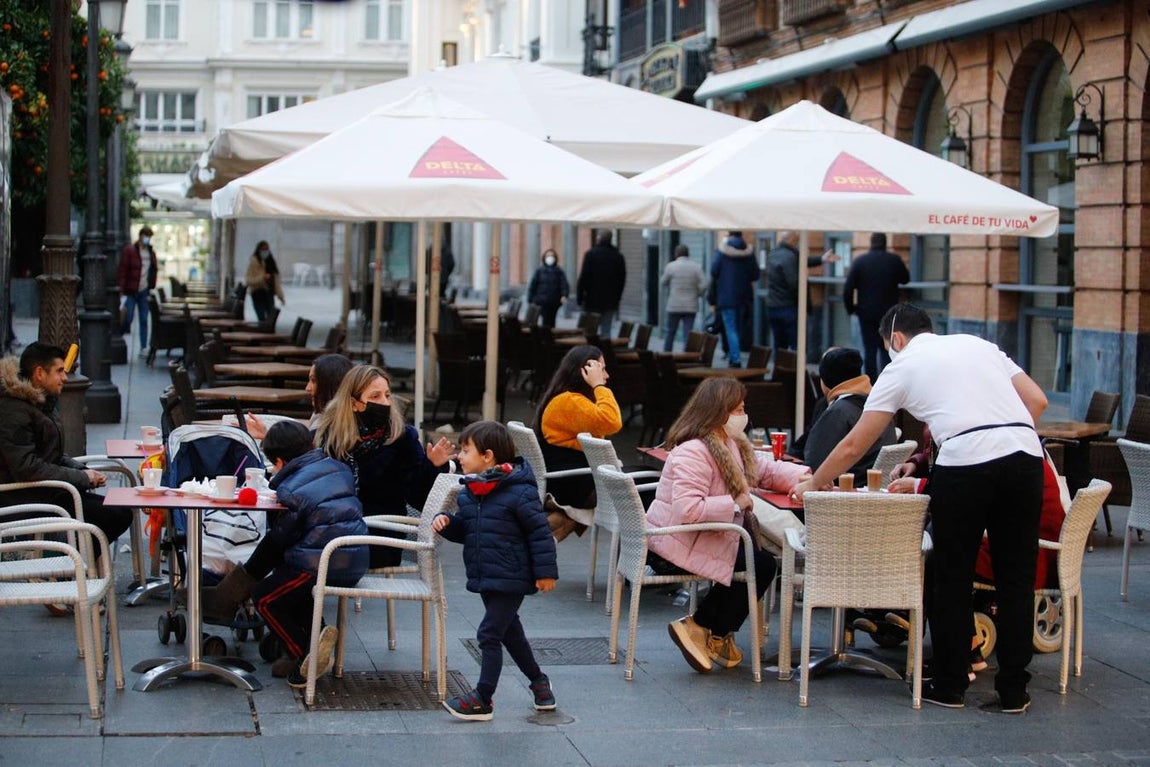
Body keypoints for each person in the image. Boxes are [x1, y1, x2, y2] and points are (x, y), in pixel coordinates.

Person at [791, 302, 1048, 713]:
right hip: (1024, 456)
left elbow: (856, 442)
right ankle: (1015, 690)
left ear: (895, 339)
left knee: (952, 574)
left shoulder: (902, 365)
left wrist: (813, 481)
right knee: (1016, 577)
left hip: (965, 462)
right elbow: (1037, 400)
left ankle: (950, 685)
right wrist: (1002, 437)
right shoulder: (979, 344)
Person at [647, 377, 808, 673]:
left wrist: (808, 478)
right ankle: (702, 626)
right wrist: (735, 504)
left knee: (758, 561)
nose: (743, 415)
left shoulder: (728, 444)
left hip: (700, 536)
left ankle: (714, 633)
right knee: (761, 565)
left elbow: (765, 469)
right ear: (719, 412)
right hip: (675, 543)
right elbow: (688, 509)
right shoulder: (694, 451)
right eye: (738, 409)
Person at [203, 420, 368, 687]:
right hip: (355, 558)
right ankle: (317, 635)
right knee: (289, 587)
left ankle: (306, 655)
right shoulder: (339, 468)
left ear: (278, 461)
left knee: (266, 597)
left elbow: (282, 537)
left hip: (320, 563)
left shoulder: (291, 488)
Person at [433, 421, 558, 721]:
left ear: (487, 456)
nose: (459, 457)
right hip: (488, 572)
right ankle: (540, 684)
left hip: (512, 575)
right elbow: (470, 530)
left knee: (489, 634)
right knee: (510, 633)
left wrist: (546, 572)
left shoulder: (519, 491)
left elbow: (540, 533)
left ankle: (483, 698)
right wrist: (448, 523)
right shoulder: (470, 492)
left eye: (465, 451)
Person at [315, 365, 453, 568]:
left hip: (380, 536)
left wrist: (432, 466)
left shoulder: (402, 438)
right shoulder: (333, 437)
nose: (385, 403)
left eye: (387, 395)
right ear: (354, 403)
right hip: (336, 529)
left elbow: (420, 499)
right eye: (376, 396)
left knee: (304, 555)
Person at [0, 342, 132, 554]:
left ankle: (77, 565)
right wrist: (80, 478)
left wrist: (82, 472)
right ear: (40, 373)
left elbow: (53, 455)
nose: (65, 378)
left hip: (47, 492)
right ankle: (73, 565)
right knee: (114, 515)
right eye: (59, 371)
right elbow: (27, 467)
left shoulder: (40, 402)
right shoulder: (14, 411)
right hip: (26, 501)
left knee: (119, 511)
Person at [534, 345, 622, 540]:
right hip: (571, 482)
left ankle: (538, 542)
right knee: (634, 494)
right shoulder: (569, 401)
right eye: (601, 369)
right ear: (585, 371)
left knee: (626, 488)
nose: (606, 376)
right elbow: (611, 421)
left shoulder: (567, 399)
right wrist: (599, 386)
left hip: (567, 477)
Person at [802, 346, 897, 484]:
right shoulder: (879, 409)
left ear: (825, 382)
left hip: (842, 492)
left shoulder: (838, 412)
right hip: (875, 488)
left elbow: (812, 466)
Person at [843, 233, 910, 380]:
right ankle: (887, 381)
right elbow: (905, 279)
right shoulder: (894, 260)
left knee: (869, 350)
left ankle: (871, 384)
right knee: (888, 349)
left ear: (871, 243)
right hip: (889, 312)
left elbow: (848, 288)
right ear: (885, 243)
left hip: (866, 312)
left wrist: (851, 309)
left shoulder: (860, 261)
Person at [245, 353, 356, 437]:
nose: (307, 388)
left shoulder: (330, 430)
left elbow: (304, 458)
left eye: (314, 381)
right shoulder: (323, 418)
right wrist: (266, 436)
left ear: (331, 384)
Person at [763, 232, 837, 352]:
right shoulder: (790, 256)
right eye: (797, 240)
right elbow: (795, 282)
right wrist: (803, 278)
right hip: (789, 307)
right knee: (796, 345)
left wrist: (822, 259)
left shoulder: (774, 253)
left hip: (773, 306)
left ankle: (779, 369)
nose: (798, 243)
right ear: (791, 240)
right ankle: (793, 370)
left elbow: (801, 261)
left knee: (779, 345)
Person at [710, 231, 759, 368]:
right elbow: (755, 274)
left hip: (726, 297)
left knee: (730, 328)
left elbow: (713, 271)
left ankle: (736, 358)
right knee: (738, 328)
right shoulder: (749, 252)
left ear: (730, 236)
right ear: (741, 236)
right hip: (744, 297)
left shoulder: (722, 251)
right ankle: (734, 356)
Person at [576, 230, 626, 338]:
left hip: (592, 299)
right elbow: (622, 279)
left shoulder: (590, 254)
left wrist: (579, 297)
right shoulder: (618, 256)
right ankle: (604, 352)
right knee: (606, 330)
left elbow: (583, 277)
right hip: (610, 300)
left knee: (590, 331)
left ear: (598, 238)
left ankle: (591, 353)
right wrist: (617, 298)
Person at [118, 225, 159, 354]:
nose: (147, 239)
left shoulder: (150, 253)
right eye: (146, 236)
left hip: (144, 291)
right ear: (140, 236)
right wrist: (121, 289)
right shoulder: (130, 250)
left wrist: (151, 284)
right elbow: (123, 270)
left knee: (144, 319)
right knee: (128, 317)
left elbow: (153, 269)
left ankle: (143, 347)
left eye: (149, 237)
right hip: (130, 290)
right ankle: (120, 336)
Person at [660, 244, 707, 352]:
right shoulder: (696, 267)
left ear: (676, 254)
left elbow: (663, 282)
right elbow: (704, 283)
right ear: (688, 254)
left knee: (670, 332)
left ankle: (665, 356)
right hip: (691, 305)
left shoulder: (671, 266)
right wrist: (697, 293)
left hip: (674, 305)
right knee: (688, 335)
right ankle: (686, 358)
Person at [525, 248, 570, 328]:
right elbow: (533, 286)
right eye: (548, 256)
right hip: (541, 301)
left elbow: (564, 284)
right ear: (544, 258)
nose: (550, 258)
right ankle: (546, 336)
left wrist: (564, 295)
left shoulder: (559, 271)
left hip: (554, 301)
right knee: (545, 321)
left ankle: (548, 336)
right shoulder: (539, 271)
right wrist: (530, 299)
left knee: (551, 320)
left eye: (552, 256)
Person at [244, 240, 285, 323]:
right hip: (257, 293)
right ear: (258, 250)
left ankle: (268, 333)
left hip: (269, 294)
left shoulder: (271, 262)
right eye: (263, 250)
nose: (265, 252)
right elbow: (248, 280)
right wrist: (262, 278)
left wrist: (281, 296)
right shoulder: (254, 262)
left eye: (267, 250)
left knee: (270, 319)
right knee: (261, 319)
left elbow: (276, 282)